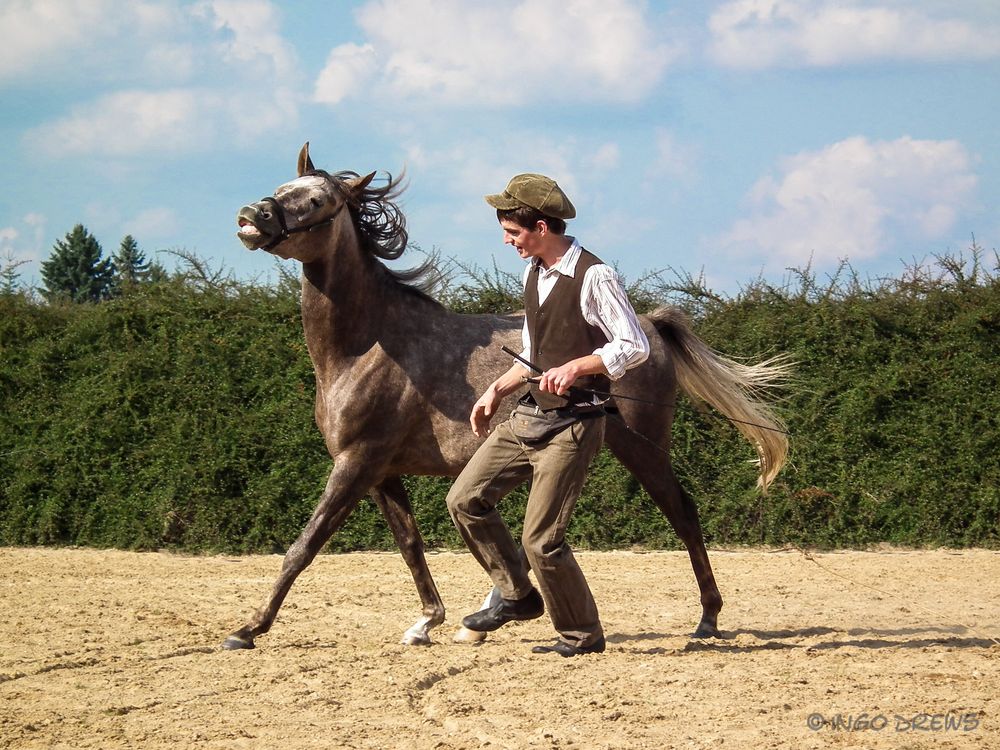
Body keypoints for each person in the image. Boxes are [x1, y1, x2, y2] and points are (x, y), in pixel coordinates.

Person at [446, 173, 649, 656]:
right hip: (529, 416)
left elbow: (634, 345)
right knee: (465, 500)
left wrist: (580, 365)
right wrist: (495, 390)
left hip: (574, 425)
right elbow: (536, 352)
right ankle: (517, 597)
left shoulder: (594, 275)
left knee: (542, 542)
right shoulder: (533, 271)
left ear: (540, 226)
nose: (507, 241)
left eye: (513, 233)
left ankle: (581, 634)